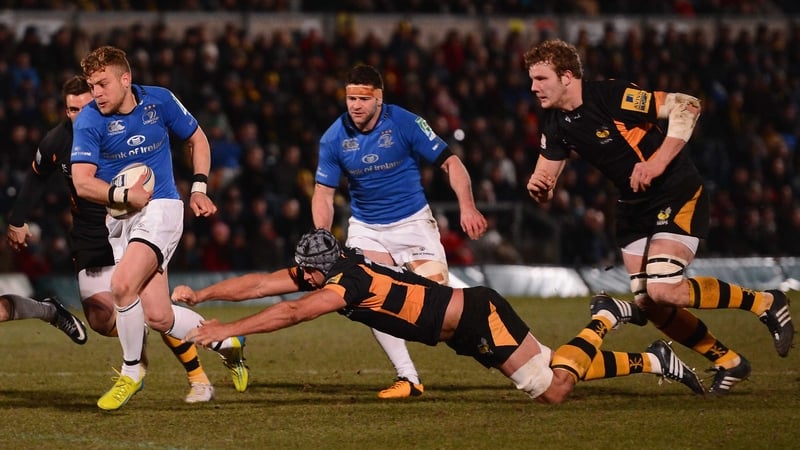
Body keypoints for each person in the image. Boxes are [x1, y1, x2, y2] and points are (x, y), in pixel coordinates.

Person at [523, 39, 794, 395]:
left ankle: (766, 302)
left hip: (674, 190)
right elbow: (546, 177)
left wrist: (656, 163)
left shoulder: (611, 96)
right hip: (633, 205)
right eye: (532, 79)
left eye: (541, 78)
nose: (533, 87)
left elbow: (688, 105)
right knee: (648, 301)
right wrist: (540, 189)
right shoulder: (556, 123)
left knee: (664, 288)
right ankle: (728, 360)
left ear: (568, 76)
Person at [176, 228, 705, 404]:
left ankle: (606, 317)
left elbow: (289, 312)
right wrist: (204, 297)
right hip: (461, 325)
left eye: (306, 273)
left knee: (553, 391)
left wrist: (228, 329)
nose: (301, 277)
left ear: (320, 270)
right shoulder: (332, 263)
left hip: (474, 316)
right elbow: (263, 284)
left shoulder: (344, 284)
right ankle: (655, 359)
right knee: (551, 368)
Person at [6, 75, 219, 403]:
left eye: (83, 108)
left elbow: (159, 156)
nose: (77, 116)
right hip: (90, 237)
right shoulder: (56, 142)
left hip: (132, 226)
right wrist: (16, 219)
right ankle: (142, 345)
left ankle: (196, 375)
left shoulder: (116, 127)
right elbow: (36, 178)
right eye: (70, 110)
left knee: (153, 309)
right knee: (101, 320)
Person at [69, 46, 248, 411]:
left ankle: (132, 370)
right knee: (159, 316)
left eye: (102, 84)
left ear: (125, 79)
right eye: (92, 85)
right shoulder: (89, 120)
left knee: (122, 285)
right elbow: (82, 182)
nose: (96, 93)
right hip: (120, 219)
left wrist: (198, 188)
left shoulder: (160, 101)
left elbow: (198, 139)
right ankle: (227, 341)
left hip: (163, 208)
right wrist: (124, 195)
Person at [311, 64, 488, 398]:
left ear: (380, 99)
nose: (356, 105)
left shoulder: (406, 122)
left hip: (413, 225)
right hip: (367, 229)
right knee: (367, 295)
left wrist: (467, 205)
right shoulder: (334, 137)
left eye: (364, 98)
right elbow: (322, 193)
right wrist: (321, 232)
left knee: (437, 311)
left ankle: (497, 346)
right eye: (351, 97)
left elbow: (450, 162)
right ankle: (407, 378)